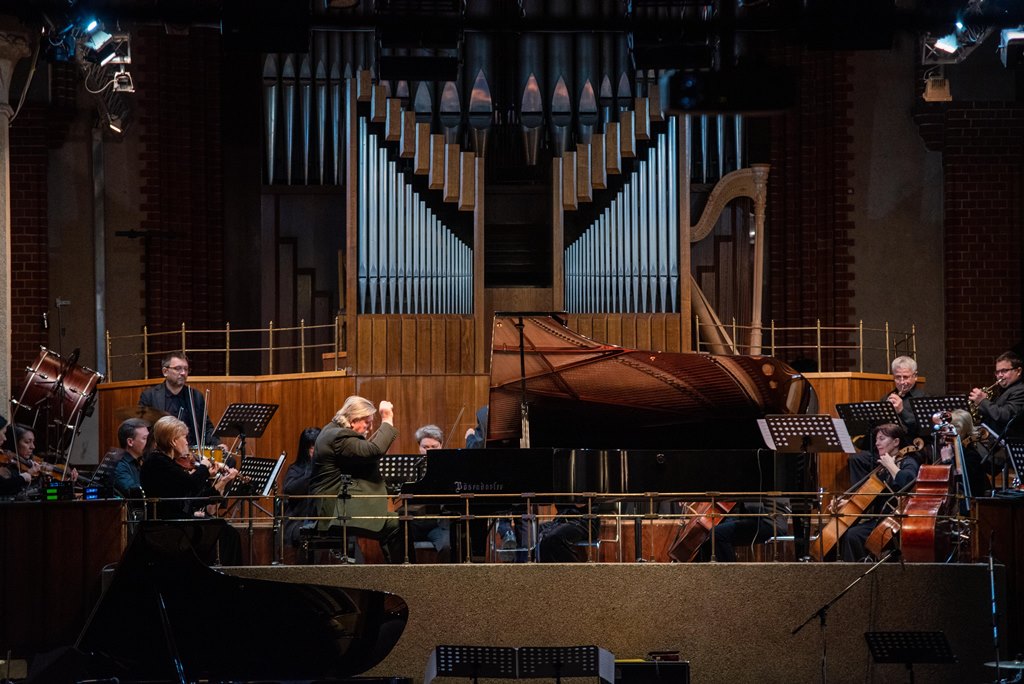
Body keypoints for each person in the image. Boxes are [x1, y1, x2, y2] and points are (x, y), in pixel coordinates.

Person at [309, 396, 403, 563]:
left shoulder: (333, 431)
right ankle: (405, 574)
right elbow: (373, 450)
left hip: (335, 507)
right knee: (399, 524)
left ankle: (394, 572)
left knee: (394, 523)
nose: (370, 427)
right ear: (353, 420)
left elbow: (364, 457)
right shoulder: (339, 437)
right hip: (333, 512)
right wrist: (387, 418)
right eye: (367, 422)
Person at [141, 416, 241, 564]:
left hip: (177, 520)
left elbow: (193, 498)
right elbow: (191, 484)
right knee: (225, 533)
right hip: (167, 524)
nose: (187, 442)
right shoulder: (157, 462)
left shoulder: (166, 462)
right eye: (184, 437)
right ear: (173, 441)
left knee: (227, 531)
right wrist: (204, 467)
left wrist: (222, 481)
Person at [836, 423, 921, 562]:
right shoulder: (883, 468)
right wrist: (849, 502)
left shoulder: (908, 462)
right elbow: (872, 498)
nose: (877, 443)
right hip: (881, 521)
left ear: (896, 442)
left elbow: (908, 483)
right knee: (846, 532)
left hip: (898, 522)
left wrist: (891, 465)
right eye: (876, 439)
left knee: (854, 535)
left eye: (882, 439)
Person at [138, 352, 228, 454]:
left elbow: (206, 427)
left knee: (229, 460)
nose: (183, 373)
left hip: (192, 453)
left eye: (186, 369)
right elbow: (142, 428)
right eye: (178, 368)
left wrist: (217, 443)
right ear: (165, 371)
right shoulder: (150, 396)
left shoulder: (196, 396)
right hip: (163, 453)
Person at [697, 499, 791, 563]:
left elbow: (755, 508)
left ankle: (730, 576)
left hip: (769, 522)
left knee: (717, 533)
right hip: (759, 517)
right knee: (708, 539)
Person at [408, 424, 450, 561]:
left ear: (441, 445)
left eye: (434, 447)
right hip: (414, 523)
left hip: (438, 524)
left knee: (447, 546)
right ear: (419, 447)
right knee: (397, 540)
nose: (429, 451)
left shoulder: (448, 469)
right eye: (425, 447)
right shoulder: (410, 468)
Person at [936, 408, 991, 509]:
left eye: (948, 429)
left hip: (970, 505)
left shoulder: (971, 455)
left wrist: (948, 460)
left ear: (960, 431)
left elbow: (959, 482)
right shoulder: (950, 450)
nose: (944, 433)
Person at [281, 426, 321, 559]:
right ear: (305, 449)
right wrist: (313, 471)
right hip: (299, 521)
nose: (317, 451)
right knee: (308, 534)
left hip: (322, 521)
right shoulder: (295, 469)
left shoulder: (329, 470)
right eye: (313, 447)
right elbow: (290, 489)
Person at [969, 351, 1024, 440]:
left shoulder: (1020, 390)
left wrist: (983, 401)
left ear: (1018, 371)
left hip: (1008, 442)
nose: (1000, 375)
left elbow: (1005, 415)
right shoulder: (1002, 391)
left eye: (1004, 371)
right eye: (997, 372)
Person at [884, 356, 927, 436]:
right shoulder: (886, 397)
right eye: (898, 377)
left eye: (906, 377)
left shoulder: (923, 399)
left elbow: (924, 430)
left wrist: (901, 411)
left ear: (915, 376)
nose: (902, 382)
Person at [111, 418, 150, 498]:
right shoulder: (119, 466)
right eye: (145, 438)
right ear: (130, 442)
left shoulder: (142, 460)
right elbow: (136, 494)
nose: (149, 442)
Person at [1, 424, 42, 495]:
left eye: (33, 442)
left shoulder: (29, 462)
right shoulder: (5, 469)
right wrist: (27, 474)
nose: (33, 447)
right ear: (13, 442)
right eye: (27, 442)